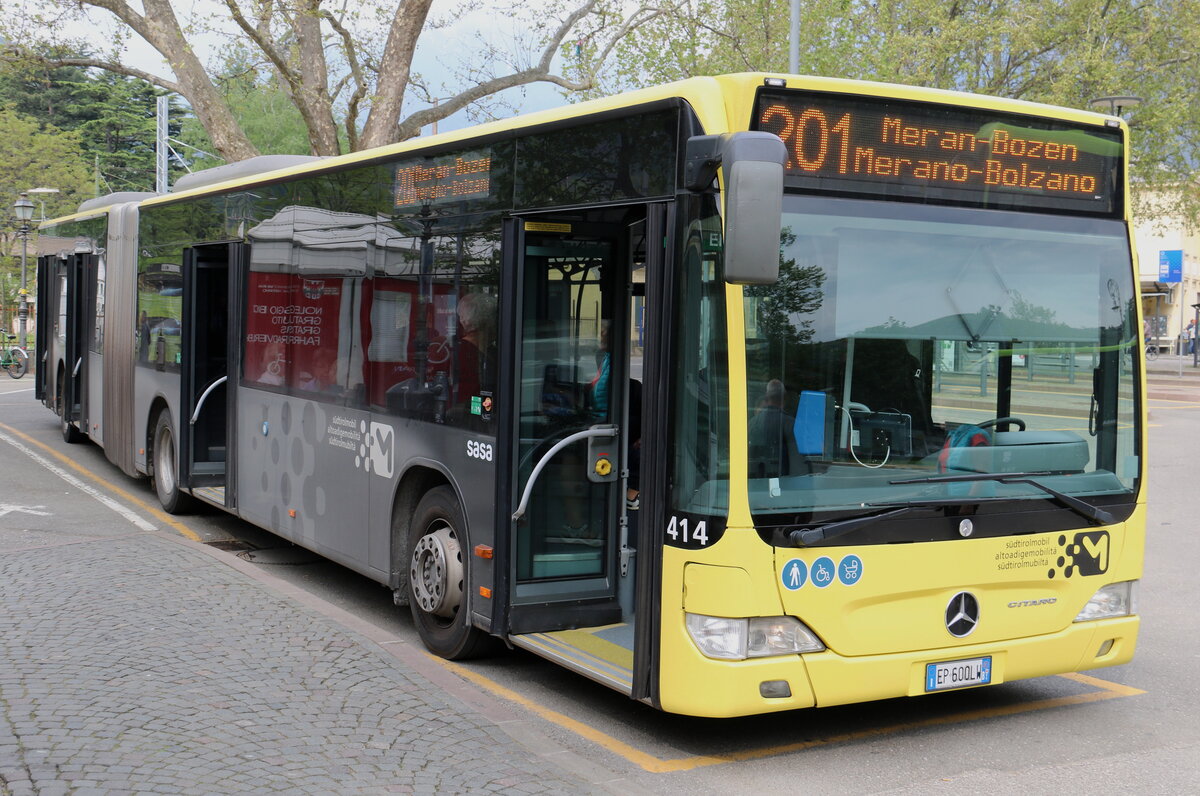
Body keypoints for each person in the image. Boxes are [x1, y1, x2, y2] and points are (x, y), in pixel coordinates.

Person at [749, 379, 795, 478]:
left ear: (767, 397)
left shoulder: (752, 422)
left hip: (757, 480)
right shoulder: (790, 423)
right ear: (784, 398)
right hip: (784, 481)